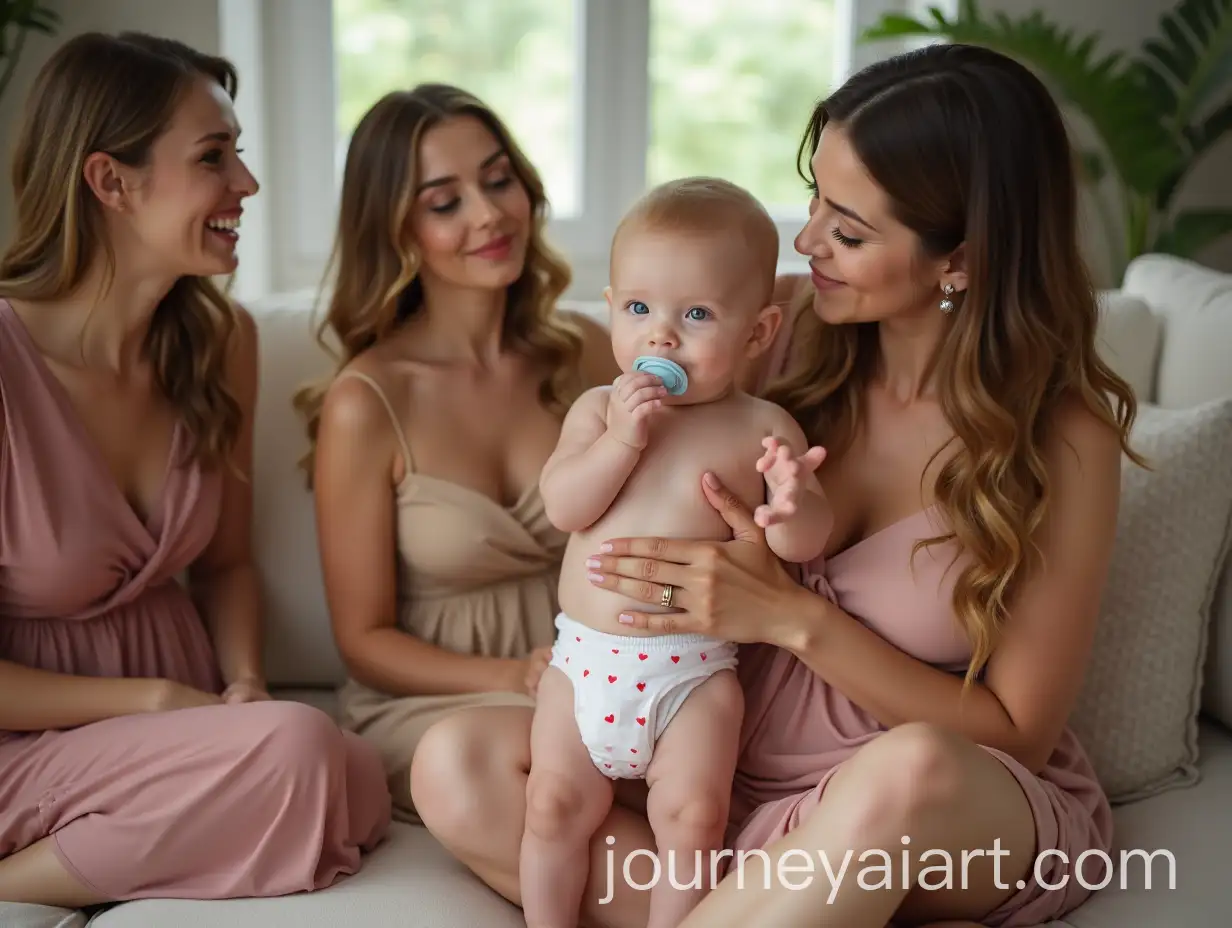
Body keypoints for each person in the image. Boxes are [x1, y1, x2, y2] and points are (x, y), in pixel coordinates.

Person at [410, 42, 1140, 928]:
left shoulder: (1060, 439)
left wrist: (789, 618)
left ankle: (799, 896)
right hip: (725, 792)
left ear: (961, 258)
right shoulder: (779, 325)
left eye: (849, 230)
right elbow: (637, 337)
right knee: (459, 760)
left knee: (911, 770)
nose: (807, 242)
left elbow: (1014, 729)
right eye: (816, 201)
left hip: (931, 811)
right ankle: (786, 907)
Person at [0, 32, 391, 907]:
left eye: (239, 155)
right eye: (215, 158)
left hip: (189, 726)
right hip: (31, 733)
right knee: (306, 758)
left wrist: (244, 680)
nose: (245, 185)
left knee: (357, 775)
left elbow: (226, 566)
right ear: (110, 181)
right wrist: (152, 703)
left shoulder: (222, 342)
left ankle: (135, 841)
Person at [295, 83, 619, 822]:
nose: (488, 213)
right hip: (442, 701)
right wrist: (521, 674)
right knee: (517, 763)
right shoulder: (368, 402)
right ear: (396, 228)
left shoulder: (588, 353)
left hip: (600, 680)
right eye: (445, 202)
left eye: (498, 179)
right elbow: (364, 641)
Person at [524, 177, 830, 928]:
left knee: (693, 820)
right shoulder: (600, 409)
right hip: (583, 665)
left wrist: (793, 505)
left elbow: (797, 549)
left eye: (695, 315)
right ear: (610, 310)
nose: (661, 336)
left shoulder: (761, 426)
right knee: (552, 805)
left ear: (757, 334)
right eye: (639, 310)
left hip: (692, 676)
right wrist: (624, 441)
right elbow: (565, 505)